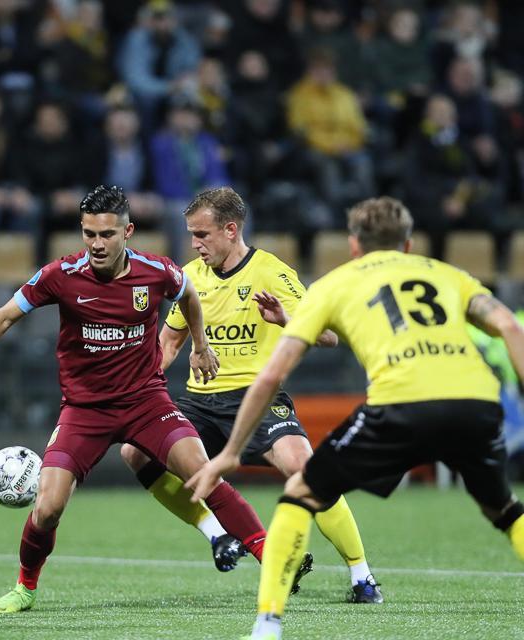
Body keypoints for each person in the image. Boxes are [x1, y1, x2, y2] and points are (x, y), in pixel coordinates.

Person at [187, 196, 524, 640]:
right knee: (503, 509)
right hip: (474, 401)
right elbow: (510, 327)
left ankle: (268, 623)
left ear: (353, 245)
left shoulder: (337, 283)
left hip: (400, 403)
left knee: (302, 491)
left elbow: (273, 373)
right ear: (408, 245)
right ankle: (361, 578)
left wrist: (232, 451)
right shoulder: (446, 274)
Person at [0, 184, 268, 613]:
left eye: (106, 234)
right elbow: (5, 316)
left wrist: (200, 345)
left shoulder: (156, 271)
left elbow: (189, 295)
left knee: (204, 473)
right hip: (84, 411)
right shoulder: (61, 275)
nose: (96, 244)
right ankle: (25, 588)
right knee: (48, 508)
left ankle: (272, 561)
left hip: (147, 403)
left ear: (127, 231)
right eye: (89, 234)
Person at [119, 186, 381, 602]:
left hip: (257, 399)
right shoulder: (190, 276)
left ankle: (361, 577)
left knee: (306, 469)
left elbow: (329, 335)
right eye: (191, 235)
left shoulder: (271, 272)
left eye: (202, 235)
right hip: (199, 404)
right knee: (135, 452)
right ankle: (221, 534)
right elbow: (167, 344)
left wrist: (285, 318)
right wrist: (133, 390)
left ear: (230, 230)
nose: (195, 244)